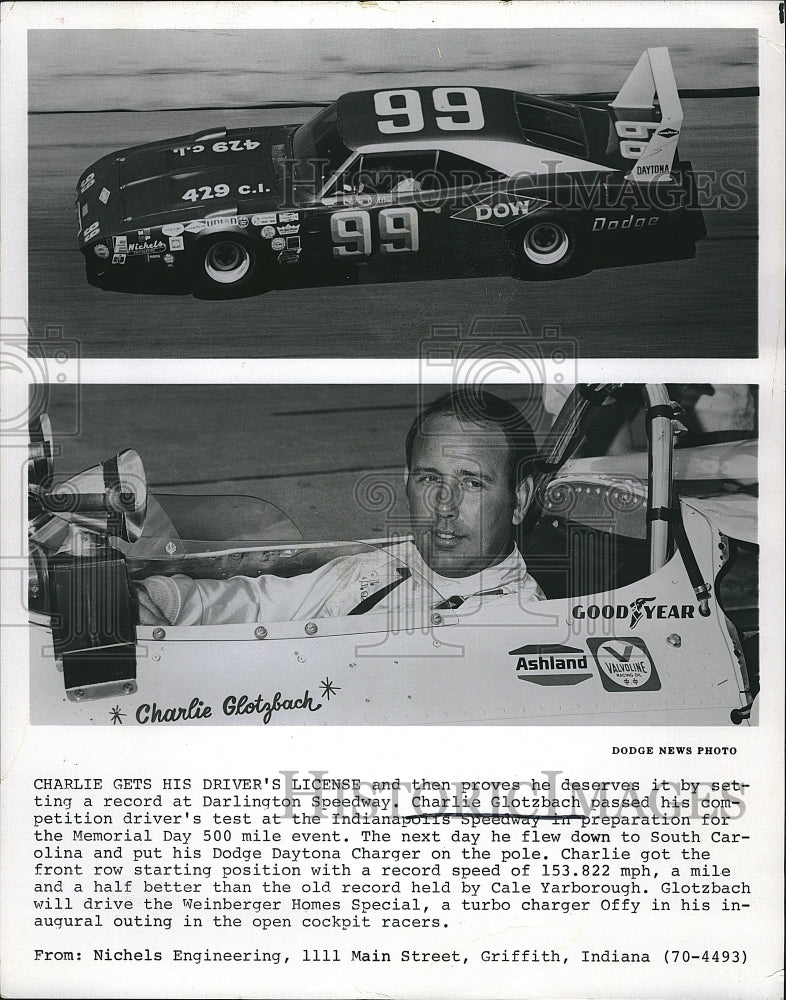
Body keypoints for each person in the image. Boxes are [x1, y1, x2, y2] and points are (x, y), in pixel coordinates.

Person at [134, 389, 544, 626]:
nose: (444, 505)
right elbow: (260, 602)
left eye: (471, 483)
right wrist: (153, 599)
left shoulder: (517, 629)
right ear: (406, 482)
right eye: (430, 478)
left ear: (519, 500)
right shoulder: (383, 566)